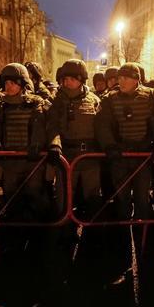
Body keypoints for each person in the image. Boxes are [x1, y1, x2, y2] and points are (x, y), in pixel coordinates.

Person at [95, 62, 154, 219]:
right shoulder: (110, 99)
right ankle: (123, 235)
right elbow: (101, 123)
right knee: (121, 198)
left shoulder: (152, 96)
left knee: (142, 197)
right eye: (120, 78)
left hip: (143, 156)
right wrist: (109, 145)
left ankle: (142, 234)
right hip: (120, 156)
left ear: (136, 80)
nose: (122, 81)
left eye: (126, 78)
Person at [0, 63, 48, 219]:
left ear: (21, 84)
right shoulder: (1, 107)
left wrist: (37, 145)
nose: (8, 87)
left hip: (33, 161)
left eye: (12, 83)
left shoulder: (35, 103)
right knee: (12, 199)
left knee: (34, 196)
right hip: (11, 161)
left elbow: (42, 128)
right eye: (6, 83)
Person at [47, 59, 102, 218]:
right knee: (64, 199)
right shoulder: (56, 101)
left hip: (90, 158)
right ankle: (65, 232)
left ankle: (90, 233)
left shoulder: (94, 101)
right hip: (66, 158)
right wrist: (54, 145)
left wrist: (107, 146)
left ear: (81, 80)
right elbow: (52, 126)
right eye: (65, 79)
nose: (68, 82)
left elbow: (102, 127)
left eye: (72, 79)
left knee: (92, 198)